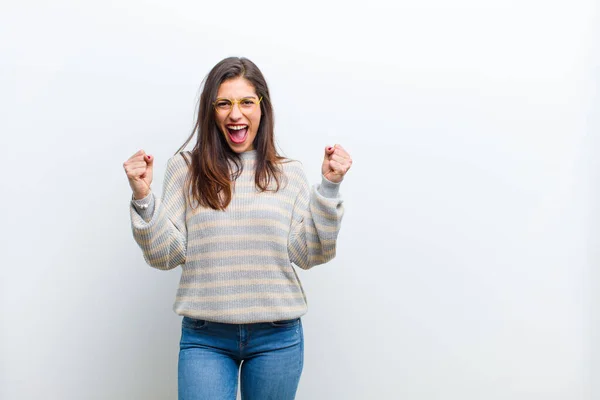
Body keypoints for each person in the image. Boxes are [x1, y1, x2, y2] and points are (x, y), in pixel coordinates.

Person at [123, 57, 352, 400]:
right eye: (224, 103)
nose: (235, 114)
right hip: (205, 337)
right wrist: (143, 197)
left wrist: (329, 187)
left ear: (262, 107)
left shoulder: (288, 173)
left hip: (277, 337)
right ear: (211, 111)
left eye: (246, 102)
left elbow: (310, 253)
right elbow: (164, 255)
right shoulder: (185, 169)